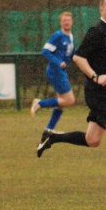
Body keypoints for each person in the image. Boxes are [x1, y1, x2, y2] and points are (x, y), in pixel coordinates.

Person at [37, 0, 106, 191]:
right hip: (98, 93)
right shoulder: (96, 31)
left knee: (92, 140)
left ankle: (52, 137)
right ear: (101, 10)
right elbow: (79, 58)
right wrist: (95, 77)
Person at [30, 11, 76, 148]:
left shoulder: (70, 36)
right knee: (70, 100)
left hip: (61, 72)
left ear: (72, 22)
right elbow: (45, 51)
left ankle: (49, 129)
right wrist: (58, 62)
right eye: (64, 20)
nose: (66, 22)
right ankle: (39, 103)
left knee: (62, 103)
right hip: (56, 71)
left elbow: (71, 53)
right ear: (60, 23)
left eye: (68, 20)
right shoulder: (58, 35)